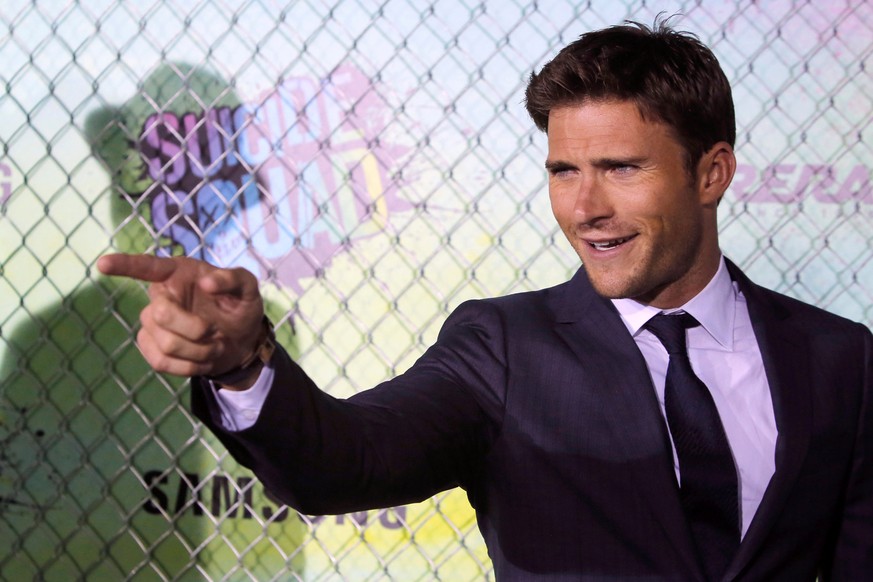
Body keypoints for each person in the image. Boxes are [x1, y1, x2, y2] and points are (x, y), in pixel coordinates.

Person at [98, 20, 872, 581]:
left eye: (620, 168)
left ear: (711, 174)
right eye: (562, 171)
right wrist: (243, 364)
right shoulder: (505, 346)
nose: (584, 207)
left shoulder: (838, 358)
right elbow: (344, 463)